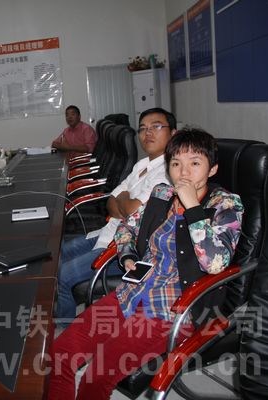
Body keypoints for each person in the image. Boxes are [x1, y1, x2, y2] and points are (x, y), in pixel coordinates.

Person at [48, 128, 244, 400]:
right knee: (60, 355)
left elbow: (215, 263)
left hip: (174, 309)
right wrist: (127, 254)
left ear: (212, 169)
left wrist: (193, 208)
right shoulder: (162, 194)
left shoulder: (226, 204)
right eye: (176, 164)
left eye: (195, 163)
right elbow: (126, 227)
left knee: (97, 375)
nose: (184, 173)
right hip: (132, 292)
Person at [56, 108, 177, 325]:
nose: (148, 133)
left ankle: (64, 328)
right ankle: (61, 308)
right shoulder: (142, 164)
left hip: (128, 249)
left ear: (173, 133)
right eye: (143, 129)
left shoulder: (170, 172)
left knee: (64, 275)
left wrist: (123, 200)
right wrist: (124, 201)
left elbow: (130, 211)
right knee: (60, 252)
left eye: (156, 126)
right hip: (109, 231)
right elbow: (111, 204)